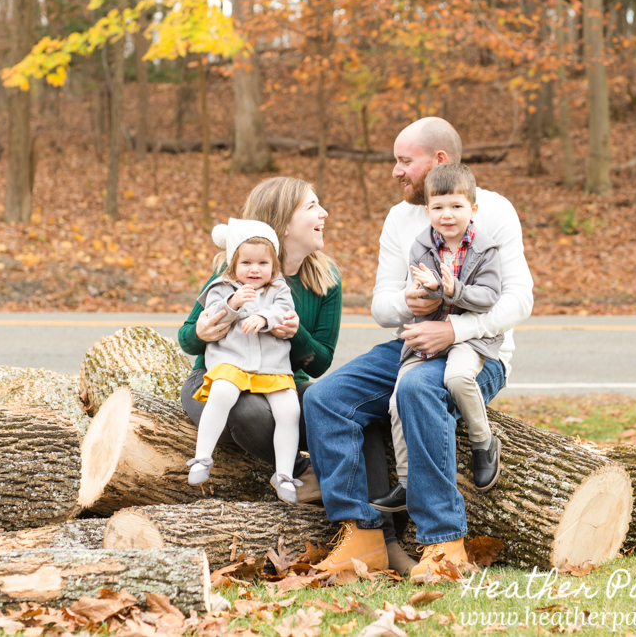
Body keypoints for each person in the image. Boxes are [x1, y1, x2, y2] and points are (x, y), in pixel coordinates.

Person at [304, 118, 534, 580]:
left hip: (479, 353)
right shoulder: (400, 218)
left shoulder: (494, 210)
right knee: (325, 399)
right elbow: (381, 304)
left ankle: (444, 543)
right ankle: (364, 536)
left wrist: (455, 332)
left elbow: (519, 299)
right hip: (414, 342)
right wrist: (406, 302)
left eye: (405, 161)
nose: (395, 171)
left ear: (439, 161)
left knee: (418, 390)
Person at [178, 177, 419, 573]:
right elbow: (188, 338)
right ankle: (309, 476)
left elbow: (319, 362)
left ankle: (382, 539)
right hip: (216, 383)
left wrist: (295, 334)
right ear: (283, 224)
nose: (323, 213)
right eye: (312, 206)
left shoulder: (325, 280)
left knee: (358, 412)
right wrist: (202, 331)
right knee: (248, 410)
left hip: (278, 382)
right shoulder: (237, 268)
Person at [369, 163, 503, 516]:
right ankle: (407, 481)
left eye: (457, 206)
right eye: (439, 207)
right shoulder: (421, 247)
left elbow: (489, 297)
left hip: (468, 339)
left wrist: (452, 290)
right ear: (427, 210)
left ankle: (483, 441)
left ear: (472, 209)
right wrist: (423, 294)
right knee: (398, 400)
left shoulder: (486, 249)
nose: (447, 215)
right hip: (428, 334)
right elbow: (419, 295)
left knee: (457, 378)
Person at [186, 219, 302, 504]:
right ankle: (202, 457)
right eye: (246, 263)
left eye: (263, 263)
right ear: (232, 265)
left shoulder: (279, 289)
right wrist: (233, 304)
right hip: (232, 362)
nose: (254, 269)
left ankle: (285, 474)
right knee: (222, 391)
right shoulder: (221, 287)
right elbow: (212, 315)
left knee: (289, 410)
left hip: (272, 366)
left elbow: (285, 312)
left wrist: (264, 317)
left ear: (273, 266)